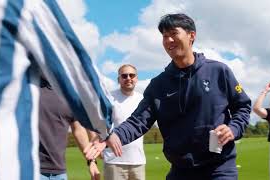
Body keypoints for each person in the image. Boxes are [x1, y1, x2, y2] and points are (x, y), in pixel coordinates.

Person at [85, 13, 251, 180]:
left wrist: (233, 128)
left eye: (173, 33)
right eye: (165, 36)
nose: (169, 40)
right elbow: (138, 121)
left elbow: (243, 107)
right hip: (180, 170)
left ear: (191, 35)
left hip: (219, 168)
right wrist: (113, 136)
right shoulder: (159, 84)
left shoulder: (219, 71)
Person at [0, 1, 115, 179]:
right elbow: (77, 72)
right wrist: (106, 128)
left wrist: (91, 162)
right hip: (15, 168)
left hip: (58, 171)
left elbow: (78, 129)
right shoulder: (20, 4)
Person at [39, 77, 100, 180]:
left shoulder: (68, 95)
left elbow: (78, 130)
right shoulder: (27, 88)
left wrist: (91, 161)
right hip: (32, 170)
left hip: (60, 173)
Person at [103, 64, 146, 180]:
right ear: (118, 79)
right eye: (124, 75)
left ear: (136, 78)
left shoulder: (142, 99)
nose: (128, 78)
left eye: (132, 75)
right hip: (114, 161)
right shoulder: (109, 98)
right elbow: (100, 125)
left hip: (138, 161)